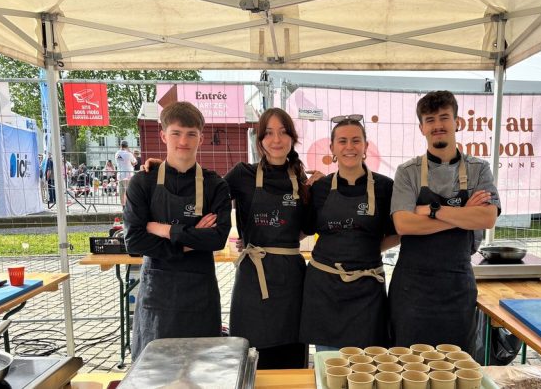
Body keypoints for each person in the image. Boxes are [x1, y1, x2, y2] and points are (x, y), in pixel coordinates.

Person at [390, 90, 500, 350]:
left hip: (457, 288)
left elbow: (486, 217)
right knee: (408, 368)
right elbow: (403, 224)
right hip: (412, 291)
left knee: (457, 368)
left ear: (457, 122)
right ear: (421, 128)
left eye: (444, 117)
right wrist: (463, 215)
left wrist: (431, 210)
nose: (437, 125)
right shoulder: (408, 172)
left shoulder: (478, 169)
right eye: (430, 120)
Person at [123, 101, 232, 360]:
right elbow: (135, 242)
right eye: (176, 133)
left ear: (201, 138)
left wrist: (163, 230)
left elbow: (217, 239)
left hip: (200, 298)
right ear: (163, 135)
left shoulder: (215, 185)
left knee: (201, 371)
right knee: (153, 373)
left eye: (191, 134)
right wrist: (189, 241)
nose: (183, 140)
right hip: (157, 299)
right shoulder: (143, 182)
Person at [224, 108, 319, 369]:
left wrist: (315, 193)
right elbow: (208, 192)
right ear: (260, 140)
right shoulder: (242, 174)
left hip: (291, 278)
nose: (276, 139)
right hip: (254, 277)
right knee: (253, 355)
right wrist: (161, 171)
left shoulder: (300, 180)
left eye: (283, 132)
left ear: (292, 138)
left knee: (291, 356)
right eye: (268, 133)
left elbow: (303, 229)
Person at [299, 115, 399, 351]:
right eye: (342, 141)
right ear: (332, 148)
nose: (349, 147)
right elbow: (304, 230)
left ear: (365, 146)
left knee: (366, 368)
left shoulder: (385, 187)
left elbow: (398, 232)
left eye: (356, 140)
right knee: (329, 364)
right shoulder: (320, 189)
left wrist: (367, 251)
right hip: (324, 288)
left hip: (367, 290)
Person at [115, 140, 138, 206]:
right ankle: (129, 205)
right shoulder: (128, 154)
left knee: (121, 191)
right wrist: (130, 152)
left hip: (120, 175)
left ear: (120, 145)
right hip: (128, 175)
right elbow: (135, 162)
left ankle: (123, 205)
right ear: (127, 146)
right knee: (128, 191)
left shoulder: (117, 153)